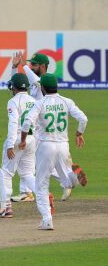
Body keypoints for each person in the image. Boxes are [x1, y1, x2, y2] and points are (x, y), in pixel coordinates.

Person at [19, 73, 88, 230]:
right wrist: (79, 133)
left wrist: (23, 140)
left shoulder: (40, 103)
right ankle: (75, 176)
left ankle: (47, 220)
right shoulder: (66, 101)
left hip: (45, 146)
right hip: (63, 145)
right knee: (67, 180)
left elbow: (27, 122)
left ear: (42, 88)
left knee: (41, 184)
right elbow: (83, 119)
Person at [11, 52, 80, 202]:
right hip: (35, 126)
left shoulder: (45, 82)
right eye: (30, 64)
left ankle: (65, 180)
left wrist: (23, 66)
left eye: (34, 64)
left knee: (37, 163)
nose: (31, 66)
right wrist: (14, 68)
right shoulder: (36, 81)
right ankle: (26, 192)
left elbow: (33, 79)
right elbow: (18, 85)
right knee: (29, 162)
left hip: (41, 130)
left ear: (42, 66)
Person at [0, 73, 36, 218]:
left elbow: (13, 123)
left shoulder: (13, 101)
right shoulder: (33, 100)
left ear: (14, 87)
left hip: (17, 139)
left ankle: (6, 208)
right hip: (31, 139)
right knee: (27, 174)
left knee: (5, 172)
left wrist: (10, 145)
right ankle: (44, 195)